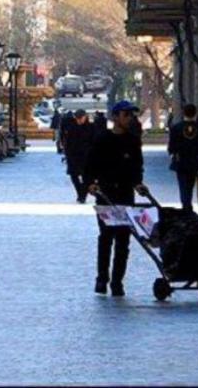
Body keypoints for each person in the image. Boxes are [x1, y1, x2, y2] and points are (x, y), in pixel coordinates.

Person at [85, 100, 149, 297]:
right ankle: (102, 278)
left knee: (123, 240)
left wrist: (138, 183)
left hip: (125, 196)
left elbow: (137, 166)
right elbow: (89, 165)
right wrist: (90, 183)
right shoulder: (102, 139)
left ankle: (117, 282)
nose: (129, 118)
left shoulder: (132, 140)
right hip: (105, 196)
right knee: (106, 238)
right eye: (126, 114)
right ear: (115, 117)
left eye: (131, 115)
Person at [167, 103, 198, 211]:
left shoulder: (176, 128)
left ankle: (186, 205)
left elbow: (171, 147)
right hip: (194, 161)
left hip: (180, 161)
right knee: (190, 185)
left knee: (183, 185)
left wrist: (173, 153)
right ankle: (187, 204)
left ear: (183, 113)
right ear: (195, 113)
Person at [63, 109, 93, 203]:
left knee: (87, 178)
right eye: (78, 118)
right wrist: (67, 153)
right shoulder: (71, 128)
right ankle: (81, 193)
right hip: (73, 156)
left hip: (87, 157)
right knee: (74, 176)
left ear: (85, 117)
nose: (79, 120)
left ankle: (82, 195)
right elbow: (67, 142)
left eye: (81, 118)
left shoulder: (91, 128)